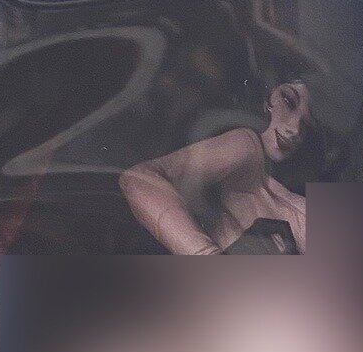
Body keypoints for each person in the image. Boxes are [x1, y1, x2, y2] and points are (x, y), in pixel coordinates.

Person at [120, 79, 319, 255]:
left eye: (308, 123)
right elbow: (138, 180)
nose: (295, 129)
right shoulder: (246, 146)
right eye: (288, 101)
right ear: (267, 94)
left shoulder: (295, 207)